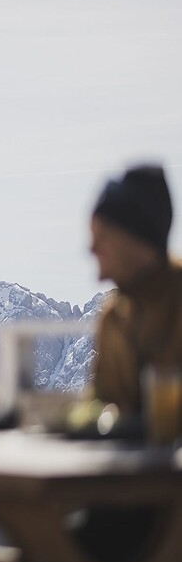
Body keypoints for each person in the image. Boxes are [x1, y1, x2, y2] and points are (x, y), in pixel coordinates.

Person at [90, 164, 179, 416]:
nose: (92, 248)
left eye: (102, 236)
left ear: (135, 240)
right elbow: (102, 407)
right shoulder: (114, 318)